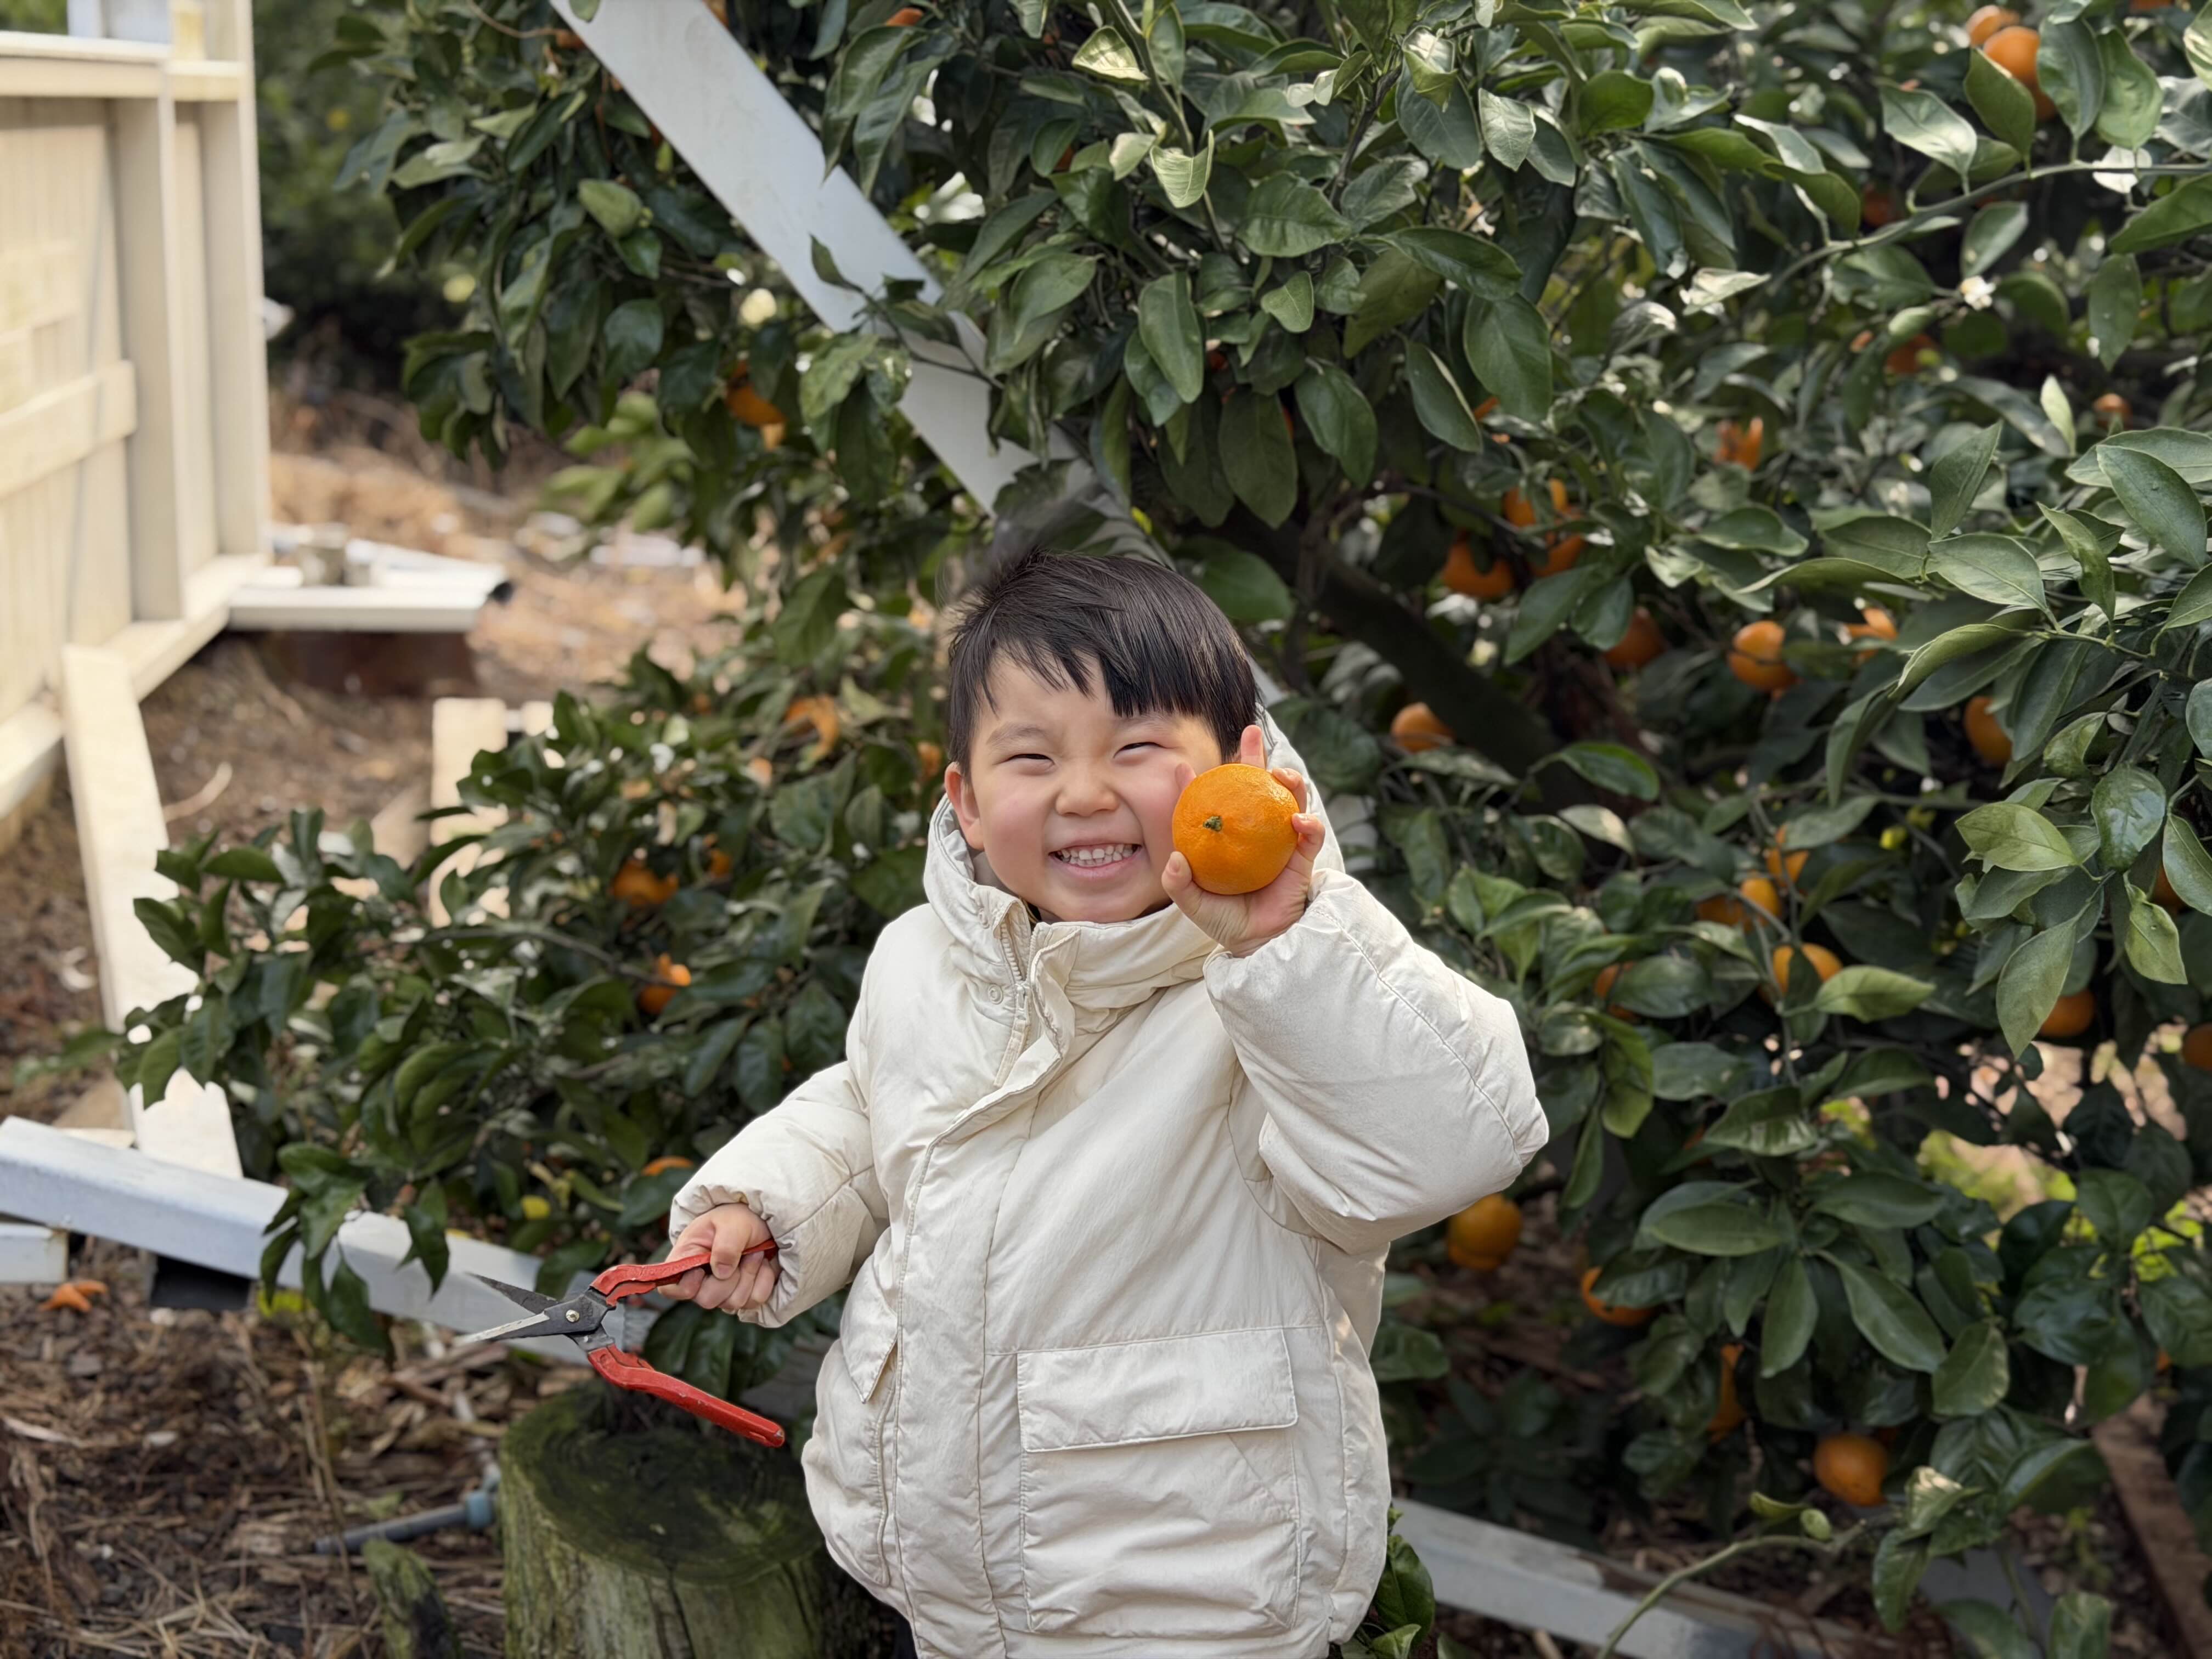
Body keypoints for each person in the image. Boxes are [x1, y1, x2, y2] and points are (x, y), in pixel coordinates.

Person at [659, 548, 1545, 1658]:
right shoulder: (927, 957)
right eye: (1032, 758)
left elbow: (1451, 1146)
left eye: (1136, 749)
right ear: (966, 802)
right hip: (952, 1574)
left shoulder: (1277, 996)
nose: (1084, 794)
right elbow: (876, 1107)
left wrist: (1288, 947)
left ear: (1243, 767)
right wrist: (770, 1206)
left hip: (1187, 1591)